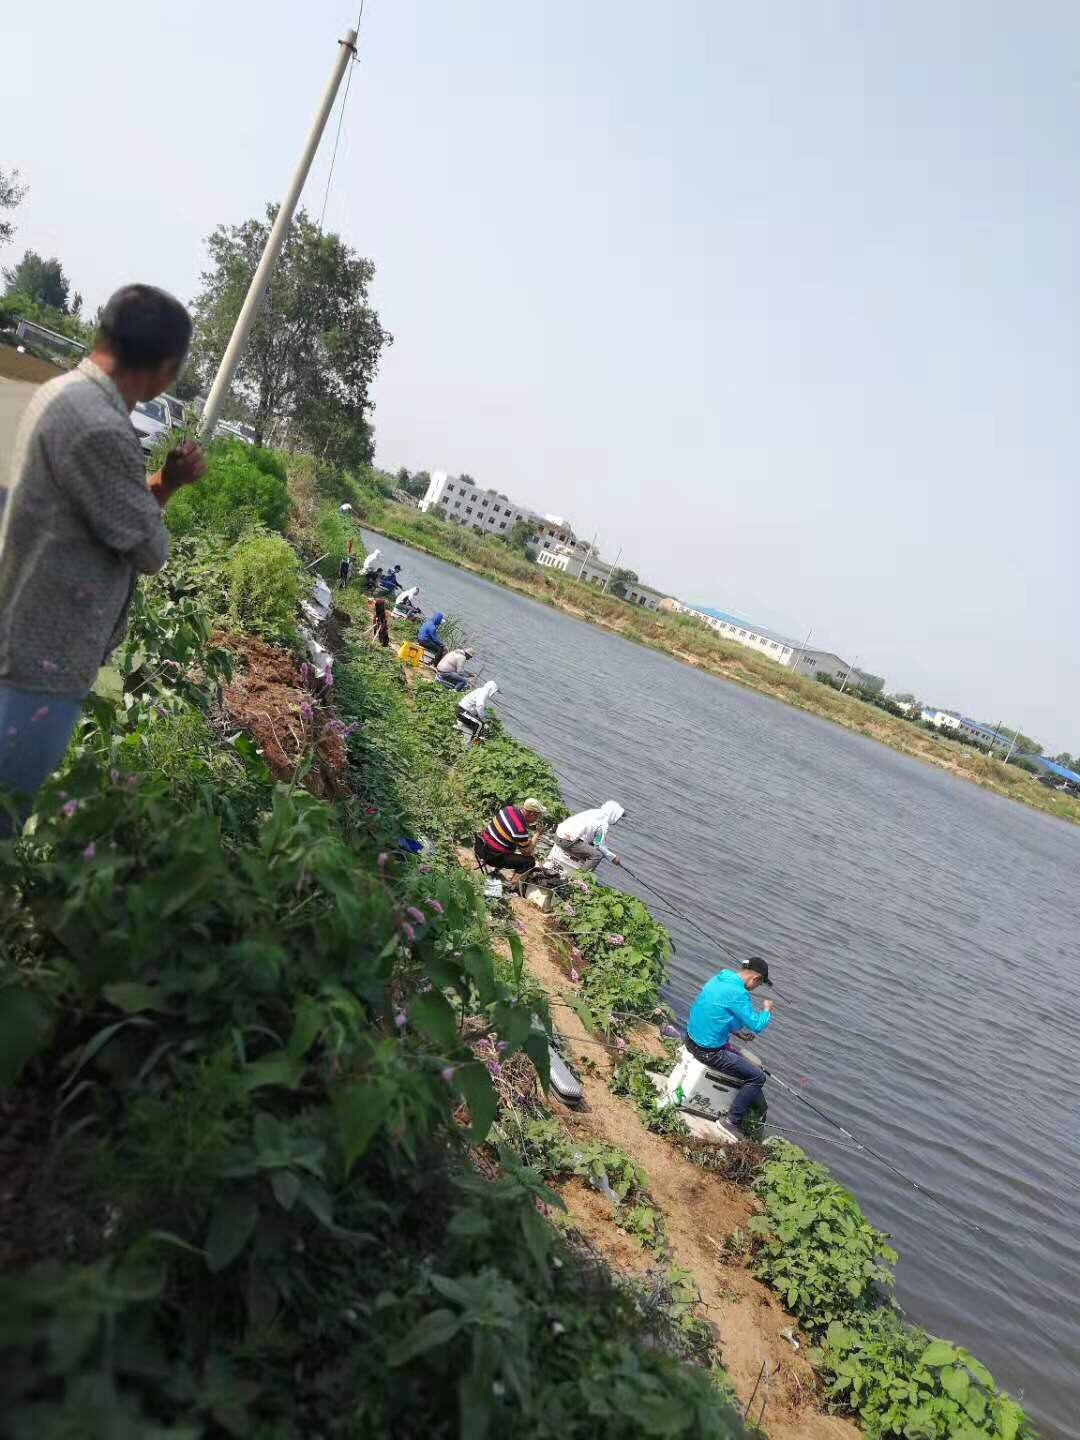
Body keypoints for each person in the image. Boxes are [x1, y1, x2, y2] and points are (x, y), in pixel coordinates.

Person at [0, 284, 205, 825]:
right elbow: (150, 547)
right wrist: (166, 490)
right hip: (40, 662)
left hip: (24, 641)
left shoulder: (65, 391)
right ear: (165, 369)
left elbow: (109, 509)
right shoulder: (101, 428)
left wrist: (165, 479)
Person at [684, 959, 775, 1136]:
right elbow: (756, 1025)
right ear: (755, 978)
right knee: (757, 1077)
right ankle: (731, 1121)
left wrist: (736, 1032)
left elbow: (715, 1011)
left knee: (743, 1059)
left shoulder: (720, 978)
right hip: (708, 1052)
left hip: (690, 1038)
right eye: (759, 984)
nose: (756, 988)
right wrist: (766, 1010)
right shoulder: (739, 993)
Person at [474, 796, 547, 875]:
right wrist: (537, 834)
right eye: (537, 816)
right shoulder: (520, 828)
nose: (537, 819)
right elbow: (526, 852)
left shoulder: (508, 809)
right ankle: (513, 885)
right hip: (492, 857)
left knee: (520, 845)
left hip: (482, 845)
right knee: (529, 861)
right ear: (532, 813)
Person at [551, 801, 626, 872]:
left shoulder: (594, 812)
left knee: (590, 849)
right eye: (618, 817)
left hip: (558, 835)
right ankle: (579, 877)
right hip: (566, 841)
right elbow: (598, 845)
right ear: (613, 815)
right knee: (597, 855)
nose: (617, 821)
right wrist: (613, 857)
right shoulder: (603, 824)